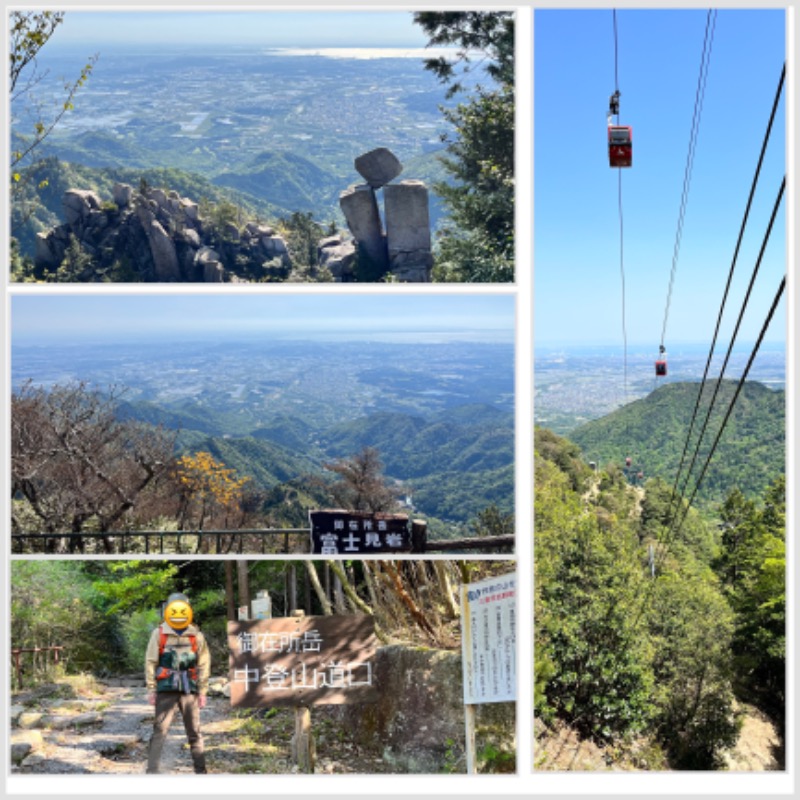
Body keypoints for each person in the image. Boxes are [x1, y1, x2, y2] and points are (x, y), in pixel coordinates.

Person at [145, 592, 210, 774]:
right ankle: (152, 772)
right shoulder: (159, 634)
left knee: (194, 732)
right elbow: (151, 661)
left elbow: (204, 663)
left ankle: (201, 772)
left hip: (189, 689)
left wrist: (203, 691)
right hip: (166, 689)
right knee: (160, 731)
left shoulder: (196, 636)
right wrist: (151, 689)